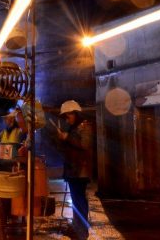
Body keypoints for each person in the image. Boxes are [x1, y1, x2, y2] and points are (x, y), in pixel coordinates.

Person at [55, 100, 93, 240]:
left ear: (76, 114)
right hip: (73, 170)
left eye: (68, 115)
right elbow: (67, 148)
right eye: (65, 116)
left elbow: (84, 144)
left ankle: (82, 232)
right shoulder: (72, 128)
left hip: (80, 171)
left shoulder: (85, 126)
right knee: (76, 201)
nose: (66, 118)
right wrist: (62, 138)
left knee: (80, 201)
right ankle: (77, 228)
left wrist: (67, 137)